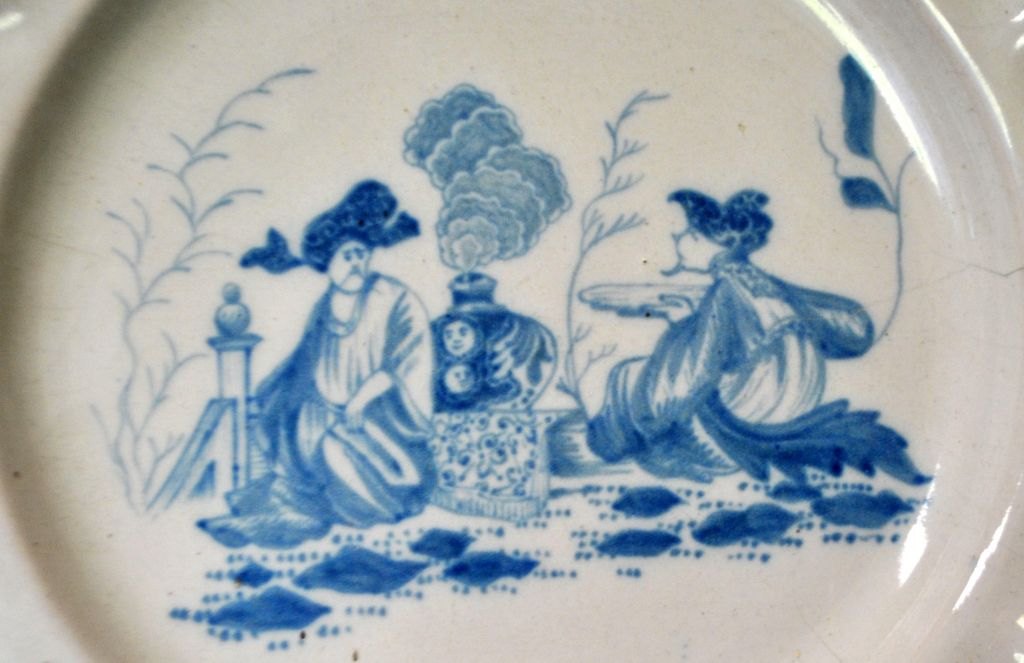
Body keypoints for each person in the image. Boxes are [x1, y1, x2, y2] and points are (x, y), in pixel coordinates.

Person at [586, 188, 929, 487]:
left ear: (710, 243)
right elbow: (852, 331)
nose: (679, 238)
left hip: (752, 408)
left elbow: (698, 367)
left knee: (628, 375)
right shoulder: (763, 282)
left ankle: (612, 449)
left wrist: (658, 415)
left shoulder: (726, 290)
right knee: (660, 362)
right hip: (795, 399)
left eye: (689, 232)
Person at [198, 180, 436, 548]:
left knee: (334, 455)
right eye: (347, 256)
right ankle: (282, 507)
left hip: (383, 422)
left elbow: (405, 362)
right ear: (328, 262)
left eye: (361, 254)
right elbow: (306, 361)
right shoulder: (325, 305)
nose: (356, 264)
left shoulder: (392, 296)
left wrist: (360, 401)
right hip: (330, 414)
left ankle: (368, 506)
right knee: (298, 436)